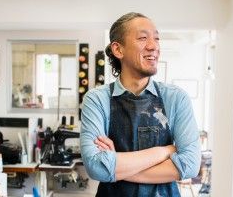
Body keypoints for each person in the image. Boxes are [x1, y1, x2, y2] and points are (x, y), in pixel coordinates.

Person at [80, 12, 201, 197]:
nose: (154, 46)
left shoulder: (176, 99)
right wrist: (165, 151)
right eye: (143, 38)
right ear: (118, 50)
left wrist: (116, 167)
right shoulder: (96, 100)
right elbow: (97, 168)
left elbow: (190, 165)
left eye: (157, 39)